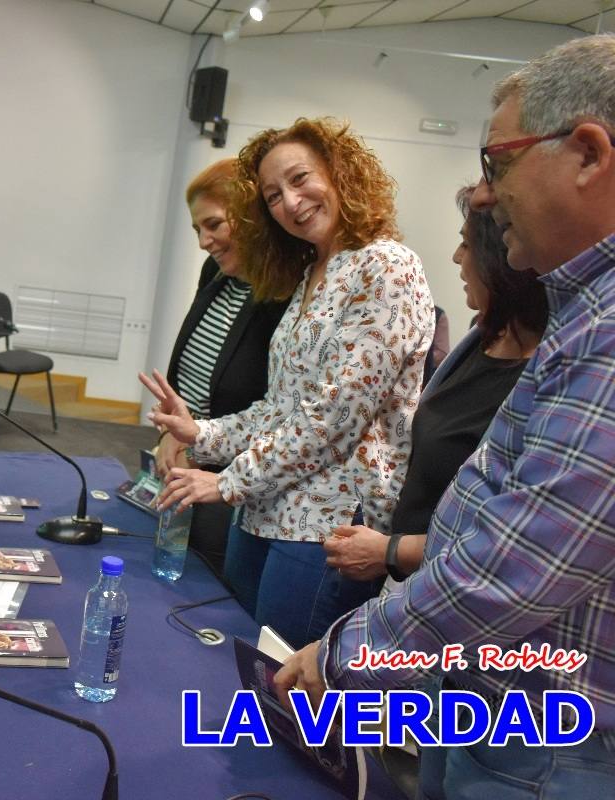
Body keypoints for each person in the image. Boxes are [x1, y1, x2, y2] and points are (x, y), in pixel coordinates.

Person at [277, 35, 615, 797]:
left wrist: (346, 652)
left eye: (497, 162)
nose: (486, 194)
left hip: (555, 745)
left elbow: (519, 567)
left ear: (588, 154)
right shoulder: (581, 309)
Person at [142, 118, 433, 647]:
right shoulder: (310, 274)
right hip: (266, 510)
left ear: (341, 172)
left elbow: (332, 419)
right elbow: (282, 408)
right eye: (273, 196)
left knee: (285, 694)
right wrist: (200, 435)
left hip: (329, 526)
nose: (291, 202)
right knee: (242, 663)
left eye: (300, 180)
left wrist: (225, 482)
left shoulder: (387, 267)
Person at [324, 184, 547, 582]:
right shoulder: (480, 341)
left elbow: (503, 537)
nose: (457, 257)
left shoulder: (538, 377)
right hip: (404, 577)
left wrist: (391, 550)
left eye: (467, 245)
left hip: (445, 585)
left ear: (502, 257)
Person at [157, 159, 286, 576]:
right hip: (188, 459)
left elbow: (272, 408)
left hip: (236, 481)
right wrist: (169, 435)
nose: (203, 241)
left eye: (213, 224)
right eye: (197, 229)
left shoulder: (285, 294)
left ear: (249, 216)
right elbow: (195, 370)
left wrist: (197, 446)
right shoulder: (216, 271)